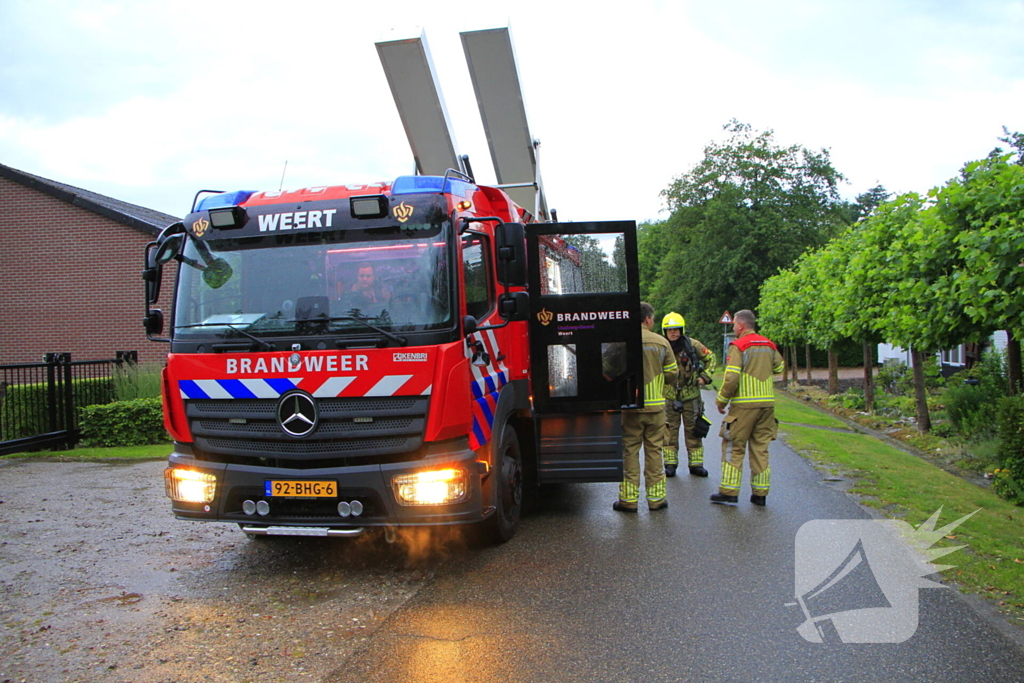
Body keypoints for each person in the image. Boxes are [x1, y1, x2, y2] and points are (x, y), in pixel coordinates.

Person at [712, 309, 785, 506]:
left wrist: (721, 401)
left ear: (741, 325)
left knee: (733, 445)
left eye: (735, 325)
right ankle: (760, 494)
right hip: (767, 405)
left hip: (743, 406)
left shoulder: (739, 346)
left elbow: (732, 377)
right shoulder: (768, 344)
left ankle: (729, 491)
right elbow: (779, 367)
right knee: (760, 448)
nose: (734, 328)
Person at [615, 302, 678, 513]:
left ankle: (628, 501)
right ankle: (656, 500)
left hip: (630, 408)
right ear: (648, 319)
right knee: (654, 452)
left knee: (630, 453)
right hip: (656, 409)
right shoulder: (662, 343)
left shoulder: (623, 341)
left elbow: (608, 369)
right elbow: (672, 375)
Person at [660, 312, 717, 477]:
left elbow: (711, 358)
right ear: (665, 331)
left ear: (682, 329)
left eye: (677, 329)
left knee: (693, 431)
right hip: (669, 395)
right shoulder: (662, 346)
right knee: (669, 432)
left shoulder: (692, 345)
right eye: (670, 330)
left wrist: (704, 377)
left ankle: (696, 464)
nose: (674, 333)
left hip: (691, 396)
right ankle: (670, 465)